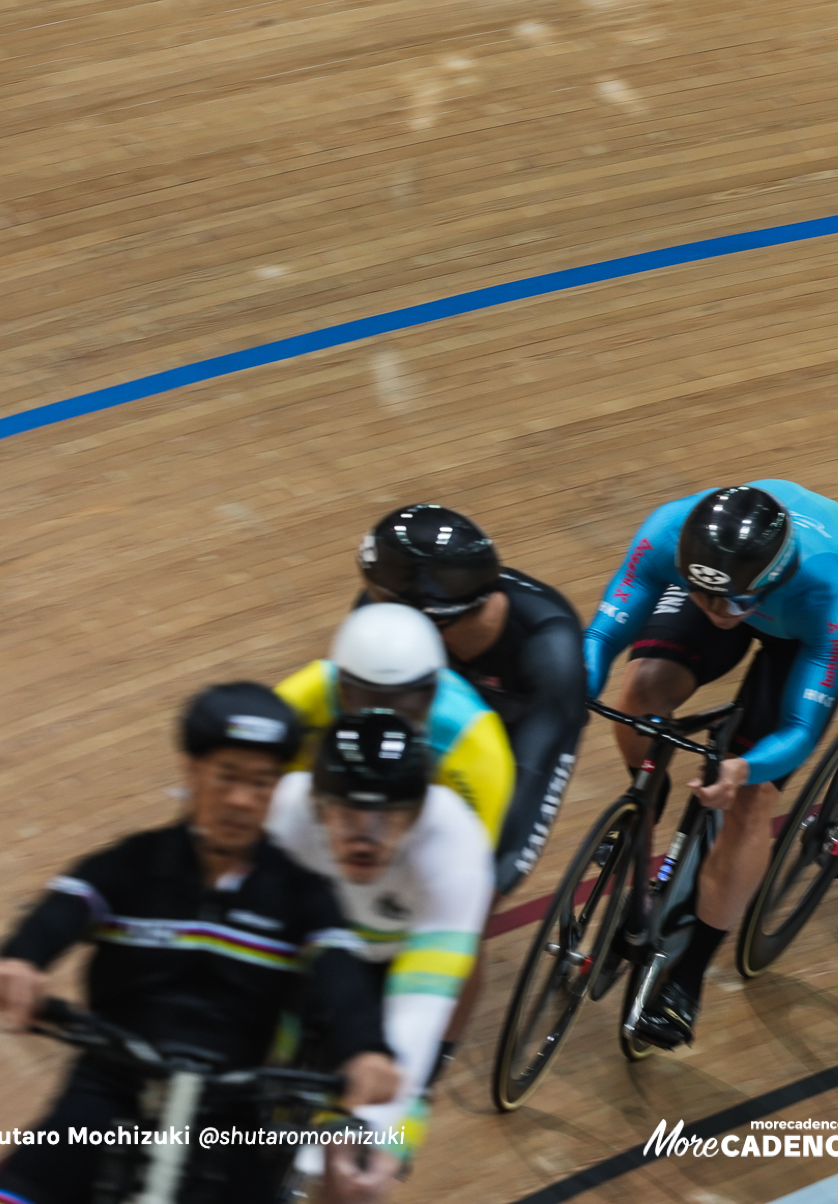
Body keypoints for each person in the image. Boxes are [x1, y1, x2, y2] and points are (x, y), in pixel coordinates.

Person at [0, 684, 399, 1204]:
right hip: (111, 1089)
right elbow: (64, 908)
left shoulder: (302, 896)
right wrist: (21, 960)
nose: (241, 799)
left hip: (226, 1113)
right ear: (191, 772)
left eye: (261, 784)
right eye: (227, 776)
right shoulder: (133, 864)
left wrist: (367, 1049)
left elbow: (341, 975)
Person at [580, 482, 838, 1049]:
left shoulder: (825, 587)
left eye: (732, 602)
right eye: (704, 596)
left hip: (797, 628)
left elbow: (799, 730)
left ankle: (688, 978)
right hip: (734, 576)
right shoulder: (668, 530)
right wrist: (577, 685)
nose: (716, 613)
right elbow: (601, 636)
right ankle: (647, 810)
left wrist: (744, 768)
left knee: (752, 799)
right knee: (639, 695)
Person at [266, 710, 493, 1204]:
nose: (364, 836)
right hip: (303, 961)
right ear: (318, 807)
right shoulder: (283, 813)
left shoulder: (454, 842)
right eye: (347, 814)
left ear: (415, 815)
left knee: (355, 1179)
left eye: (386, 818)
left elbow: (420, 1007)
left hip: (396, 978)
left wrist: (373, 1124)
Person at [355, 504, 587, 894]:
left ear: (431, 616)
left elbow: (521, 818)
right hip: (436, 722)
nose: (371, 604)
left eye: (382, 598)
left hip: (516, 739)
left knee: (475, 885)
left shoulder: (549, 649)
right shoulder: (385, 616)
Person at [276, 603, 515, 883]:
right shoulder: (305, 695)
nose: (383, 718)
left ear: (431, 692)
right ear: (340, 685)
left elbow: (463, 867)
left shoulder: (475, 745)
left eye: (398, 702)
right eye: (371, 699)